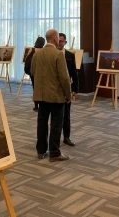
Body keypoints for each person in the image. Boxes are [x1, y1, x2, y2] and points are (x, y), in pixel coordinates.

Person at [31, 29, 71, 162]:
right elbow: (64, 78)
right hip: (56, 96)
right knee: (56, 124)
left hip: (41, 96)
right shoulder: (58, 54)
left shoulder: (37, 54)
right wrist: (68, 94)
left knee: (42, 123)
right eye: (58, 37)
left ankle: (41, 151)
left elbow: (32, 72)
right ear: (55, 38)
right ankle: (54, 153)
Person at [57, 33, 79, 147]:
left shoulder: (70, 55)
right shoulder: (53, 54)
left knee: (66, 114)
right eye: (58, 41)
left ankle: (66, 137)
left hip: (67, 89)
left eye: (62, 41)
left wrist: (75, 88)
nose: (60, 43)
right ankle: (54, 139)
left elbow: (74, 73)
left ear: (65, 42)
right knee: (56, 116)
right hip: (55, 90)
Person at [25, 37, 45, 111]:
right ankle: (42, 104)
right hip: (42, 72)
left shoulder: (32, 50)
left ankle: (36, 105)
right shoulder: (44, 50)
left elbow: (27, 60)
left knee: (35, 88)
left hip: (33, 72)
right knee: (42, 88)